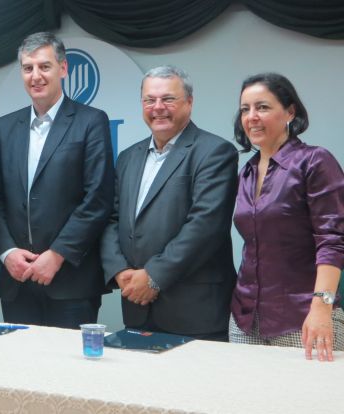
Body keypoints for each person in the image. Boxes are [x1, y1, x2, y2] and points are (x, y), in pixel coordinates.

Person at [100, 65, 238, 340]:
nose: (158, 107)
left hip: (195, 311)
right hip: (137, 306)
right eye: (149, 100)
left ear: (189, 102)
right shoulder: (128, 157)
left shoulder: (215, 152)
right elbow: (111, 219)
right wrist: (119, 270)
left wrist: (153, 276)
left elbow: (205, 226)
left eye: (168, 99)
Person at [0, 32, 114, 328]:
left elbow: (97, 198)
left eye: (44, 66)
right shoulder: (5, 127)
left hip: (70, 281)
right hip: (17, 279)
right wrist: (7, 252)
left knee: (68, 360)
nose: (36, 76)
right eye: (28, 68)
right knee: (19, 359)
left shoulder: (91, 121)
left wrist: (57, 255)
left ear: (63, 68)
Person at [230, 73, 344, 361]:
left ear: (290, 112)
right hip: (245, 319)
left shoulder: (315, 161)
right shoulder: (247, 172)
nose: (252, 117)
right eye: (245, 109)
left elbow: (333, 240)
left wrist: (322, 307)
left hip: (303, 318)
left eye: (263, 107)